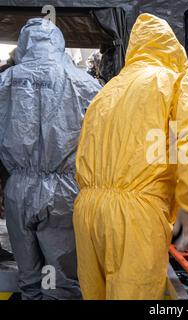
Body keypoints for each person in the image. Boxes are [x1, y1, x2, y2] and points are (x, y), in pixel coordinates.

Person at [73, 13, 188, 300]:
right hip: (136, 215)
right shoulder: (177, 84)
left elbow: (85, 147)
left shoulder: (107, 92)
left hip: (87, 211)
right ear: (172, 48)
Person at [0, 18, 101, 299]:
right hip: (64, 194)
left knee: (29, 277)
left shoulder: (6, 81)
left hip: (18, 191)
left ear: (23, 45)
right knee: (62, 281)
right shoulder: (85, 84)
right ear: (58, 44)